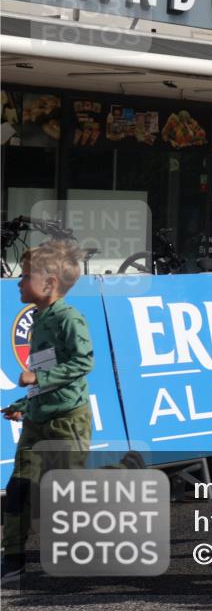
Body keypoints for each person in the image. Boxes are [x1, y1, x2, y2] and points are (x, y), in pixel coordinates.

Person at [1, 241, 94, 582]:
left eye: (25, 276)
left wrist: (36, 377)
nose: (19, 282)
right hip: (37, 422)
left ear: (50, 283)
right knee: (20, 488)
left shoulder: (69, 319)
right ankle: (13, 558)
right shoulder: (38, 318)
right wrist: (25, 405)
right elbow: (48, 371)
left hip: (67, 422)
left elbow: (83, 362)